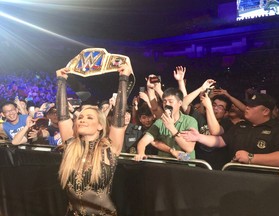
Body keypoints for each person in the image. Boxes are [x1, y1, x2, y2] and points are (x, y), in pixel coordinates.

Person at [56, 63, 132, 215]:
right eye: (80, 117)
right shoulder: (71, 146)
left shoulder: (109, 149)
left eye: (89, 117)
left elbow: (119, 117)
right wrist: (61, 81)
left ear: (100, 126)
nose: (82, 120)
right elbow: (62, 116)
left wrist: (124, 78)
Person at [181, 93, 279, 168]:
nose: (247, 107)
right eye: (247, 104)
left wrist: (251, 158)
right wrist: (199, 137)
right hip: (233, 177)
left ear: (265, 111)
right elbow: (220, 141)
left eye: (252, 106)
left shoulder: (278, 130)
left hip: (261, 183)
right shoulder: (240, 126)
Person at [134, 87, 198, 161]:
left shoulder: (190, 121)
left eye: (170, 102)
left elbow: (189, 148)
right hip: (165, 164)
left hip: (186, 163)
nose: (167, 104)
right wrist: (141, 153)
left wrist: (171, 128)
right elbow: (143, 142)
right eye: (164, 101)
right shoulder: (160, 122)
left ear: (180, 103)